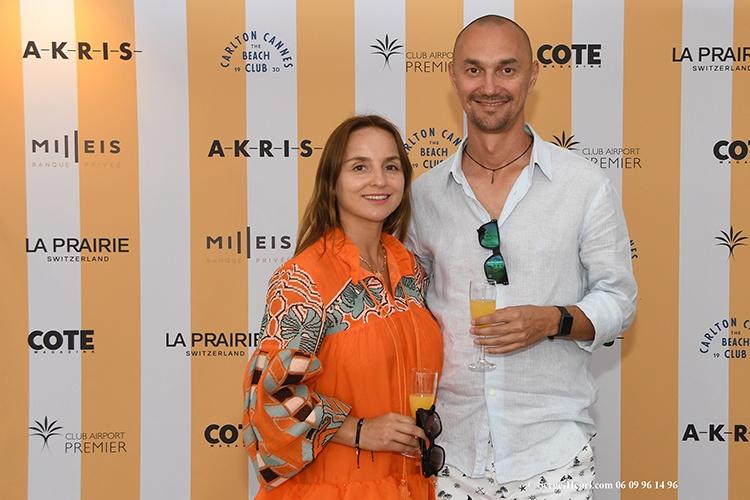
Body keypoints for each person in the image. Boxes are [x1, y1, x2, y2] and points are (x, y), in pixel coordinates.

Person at [406, 15, 637, 499]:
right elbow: (405, 311)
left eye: (506, 69)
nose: (490, 86)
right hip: (448, 455)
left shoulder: (584, 185)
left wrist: (551, 321)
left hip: (551, 456)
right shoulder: (422, 197)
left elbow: (619, 300)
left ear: (532, 75)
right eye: (474, 69)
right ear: (453, 77)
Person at [242, 115, 443, 499]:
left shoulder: (410, 271)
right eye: (360, 167)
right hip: (331, 488)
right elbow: (270, 396)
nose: (379, 180)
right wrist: (359, 430)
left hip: (410, 485)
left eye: (391, 167)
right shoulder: (305, 279)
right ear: (332, 181)